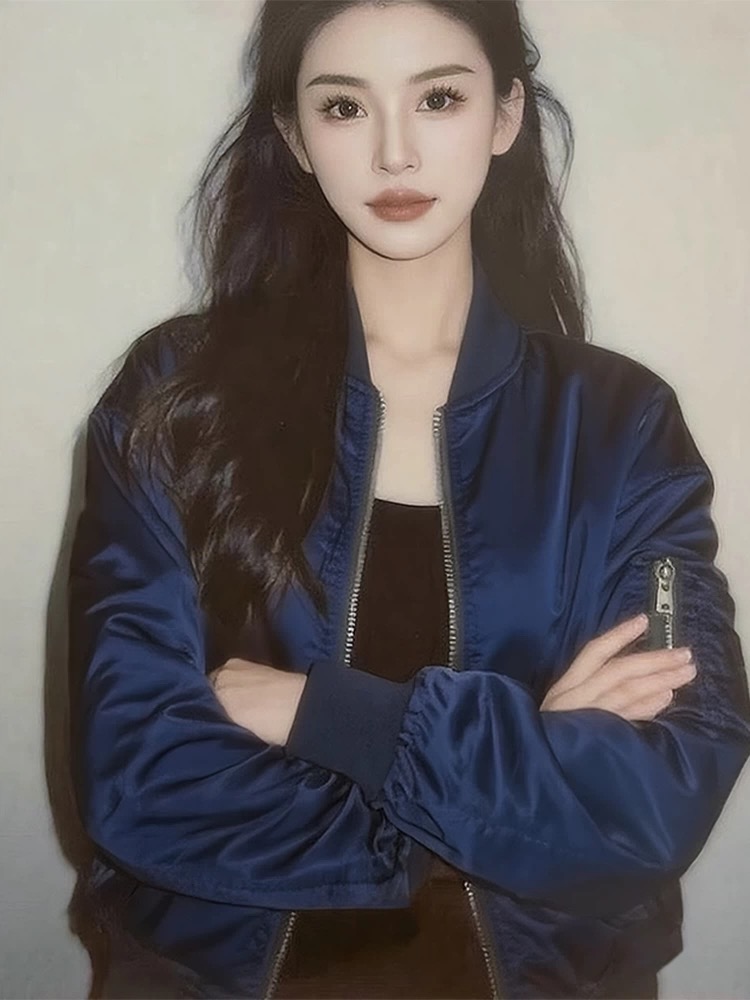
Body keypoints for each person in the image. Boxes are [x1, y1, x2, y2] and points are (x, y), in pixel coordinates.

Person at [67, 2, 750, 998]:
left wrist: (330, 714)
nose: (395, 152)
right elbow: (138, 771)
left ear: (505, 115)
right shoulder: (178, 398)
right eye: (344, 107)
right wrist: (514, 772)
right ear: (294, 136)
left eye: (438, 99)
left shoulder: (618, 424)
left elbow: (656, 795)